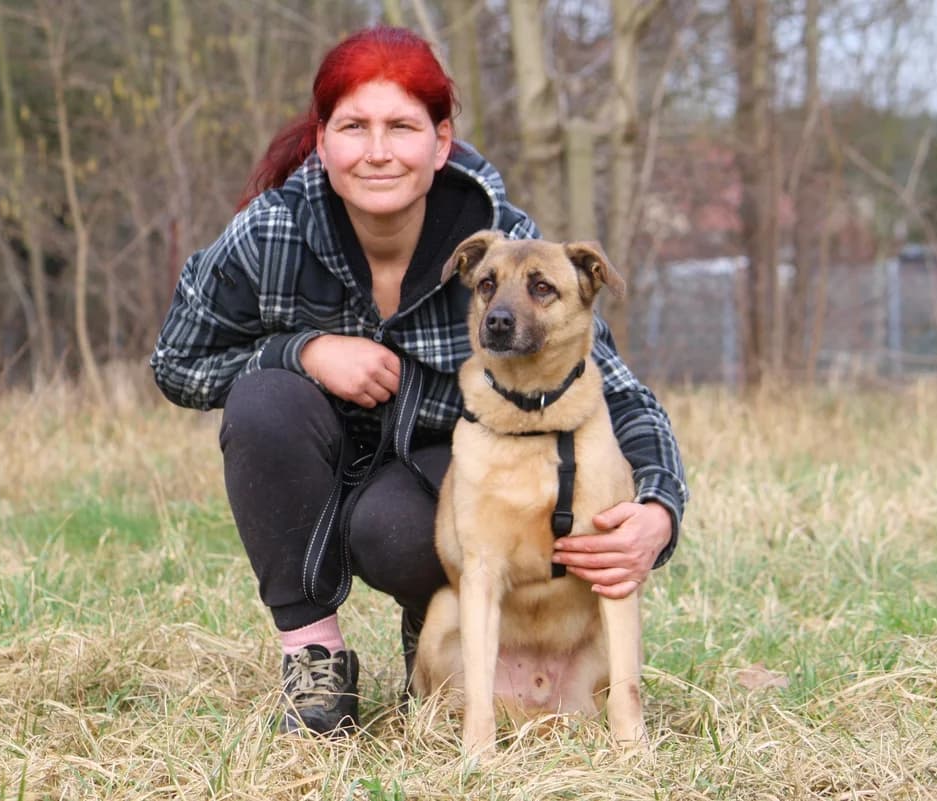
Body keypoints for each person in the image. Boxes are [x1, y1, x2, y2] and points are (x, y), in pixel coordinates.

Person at [150, 25, 688, 737]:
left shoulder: (503, 248)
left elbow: (616, 393)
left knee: (399, 528)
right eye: (354, 127)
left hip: (427, 490)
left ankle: (441, 644)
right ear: (321, 140)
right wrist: (302, 351)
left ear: (441, 142)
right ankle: (315, 659)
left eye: (401, 127)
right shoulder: (270, 233)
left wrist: (658, 509)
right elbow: (176, 364)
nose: (377, 151)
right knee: (264, 400)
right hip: (306, 465)